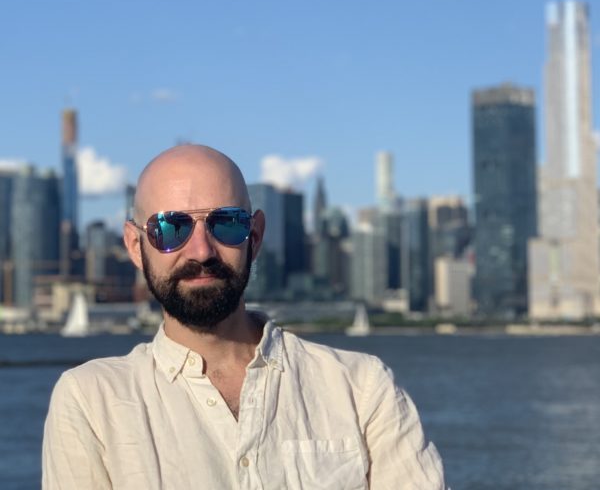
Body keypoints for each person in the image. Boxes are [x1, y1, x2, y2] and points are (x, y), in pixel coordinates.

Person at [42, 145, 446, 489]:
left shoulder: (361, 389)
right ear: (135, 245)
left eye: (226, 224)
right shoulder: (90, 401)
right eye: (170, 228)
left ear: (254, 236)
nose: (201, 251)